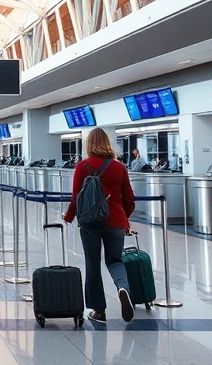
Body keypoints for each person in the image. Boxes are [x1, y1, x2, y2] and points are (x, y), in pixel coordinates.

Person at [62, 127, 136, 324]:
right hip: (116, 221)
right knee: (115, 261)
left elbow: (76, 197)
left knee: (92, 263)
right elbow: (129, 198)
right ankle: (122, 288)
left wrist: (69, 217)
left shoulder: (83, 166)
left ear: (89, 144)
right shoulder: (119, 167)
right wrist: (123, 220)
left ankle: (99, 310)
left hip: (90, 222)